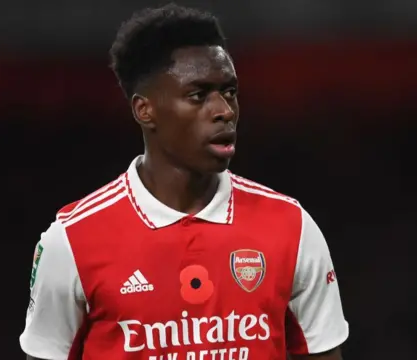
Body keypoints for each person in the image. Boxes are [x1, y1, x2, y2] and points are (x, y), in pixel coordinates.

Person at [19, 4, 348, 360]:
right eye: (198, 95)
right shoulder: (72, 241)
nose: (224, 110)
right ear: (145, 111)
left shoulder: (291, 227)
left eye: (230, 92)